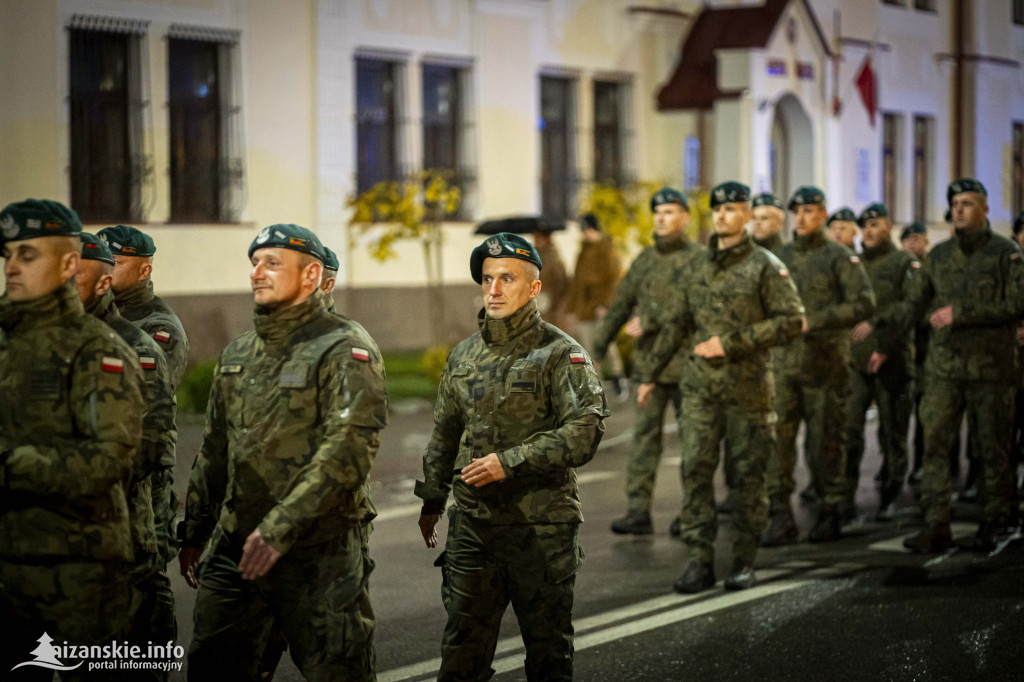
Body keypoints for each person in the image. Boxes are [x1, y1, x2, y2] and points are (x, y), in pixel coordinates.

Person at [178, 224, 388, 680]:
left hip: (317, 551)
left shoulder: (343, 347)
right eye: (255, 263)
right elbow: (215, 450)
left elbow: (348, 451)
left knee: (338, 671)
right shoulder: (238, 354)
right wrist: (195, 528)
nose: (257, 272)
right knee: (213, 667)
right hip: (237, 548)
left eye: (272, 263)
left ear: (311, 275)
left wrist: (280, 527)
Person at [415, 232, 607, 681]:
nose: (494, 289)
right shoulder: (464, 355)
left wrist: (510, 461)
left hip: (540, 526)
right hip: (474, 525)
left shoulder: (560, 354)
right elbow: (445, 433)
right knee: (461, 653)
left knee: (547, 653)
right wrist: (432, 499)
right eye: (487, 279)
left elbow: (585, 432)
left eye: (507, 278)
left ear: (534, 287)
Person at [0, 199, 145, 678]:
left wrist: (10, 464)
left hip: (77, 568)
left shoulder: (98, 349)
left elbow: (108, 461)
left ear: (67, 265)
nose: (12, 267)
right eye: (8, 255)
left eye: (28, 255)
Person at [635, 181, 803, 592]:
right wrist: (650, 374)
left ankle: (743, 560)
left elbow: (791, 321)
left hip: (748, 390)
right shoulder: (697, 266)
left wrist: (731, 343)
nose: (722, 216)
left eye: (731, 209)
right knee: (695, 471)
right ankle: (699, 560)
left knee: (747, 477)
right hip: (700, 389)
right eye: (717, 210)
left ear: (746, 214)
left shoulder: (765, 266)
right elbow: (677, 323)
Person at [75, 233, 177, 680]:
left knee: (141, 602)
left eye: (117, 261)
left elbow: (147, 434)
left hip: (133, 501)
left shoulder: (149, 335)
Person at [903, 179, 1024, 553]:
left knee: (992, 448)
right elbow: (913, 303)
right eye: (955, 203)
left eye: (967, 203)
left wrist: (963, 313)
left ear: (985, 209)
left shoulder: (1006, 253)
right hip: (945, 368)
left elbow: (1018, 303)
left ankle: (995, 519)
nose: (958, 209)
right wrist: (881, 333)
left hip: (991, 369)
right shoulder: (938, 256)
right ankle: (936, 523)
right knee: (935, 445)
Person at [762, 187, 875, 545]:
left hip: (826, 367)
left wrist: (817, 320)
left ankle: (830, 510)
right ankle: (781, 515)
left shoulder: (839, 257)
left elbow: (864, 303)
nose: (801, 218)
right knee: (778, 444)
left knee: (825, 442)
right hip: (783, 367)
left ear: (822, 215)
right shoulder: (779, 257)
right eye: (797, 212)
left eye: (808, 211)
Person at [594, 187, 706, 535]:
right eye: (657, 213)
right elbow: (621, 304)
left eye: (669, 212)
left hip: (689, 366)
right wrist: (598, 345)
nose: (661, 218)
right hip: (650, 369)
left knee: (694, 444)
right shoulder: (645, 260)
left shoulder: (700, 259)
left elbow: (696, 309)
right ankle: (638, 511)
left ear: (684, 218)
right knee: (644, 441)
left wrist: (652, 320)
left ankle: (692, 512)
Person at [97, 224, 186, 657]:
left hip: (144, 477)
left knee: (144, 575)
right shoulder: (92, 318)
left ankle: (149, 664)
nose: (106, 271)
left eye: (116, 263)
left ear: (144, 270)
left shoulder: (157, 328)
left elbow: (145, 414)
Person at [843, 204, 915, 523]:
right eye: (865, 226)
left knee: (891, 432)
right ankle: (845, 498)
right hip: (857, 362)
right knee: (849, 431)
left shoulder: (903, 263)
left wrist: (883, 344)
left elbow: (909, 307)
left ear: (889, 227)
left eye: (875, 225)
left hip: (892, 361)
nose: (868, 231)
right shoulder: (853, 263)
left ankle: (890, 494)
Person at [566, 213, 625, 397]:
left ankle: (617, 378)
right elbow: (577, 282)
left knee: (606, 345)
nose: (584, 233)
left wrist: (605, 304)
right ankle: (594, 386)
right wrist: (572, 308)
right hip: (584, 308)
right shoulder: (582, 252)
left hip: (601, 307)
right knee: (588, 350)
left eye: (587, 229)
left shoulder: (608, 249)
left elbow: (614, 279)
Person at [533, 228, 571, 331]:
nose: (536, 241)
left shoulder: (553, 257)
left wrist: (552, 298)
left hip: (549, 303)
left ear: (546, 239)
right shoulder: (532, 256)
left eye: (539, 238)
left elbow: (562, 282)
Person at [751, 192, 787, 257]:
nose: (757, 223)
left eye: (764, 218)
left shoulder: (788, 255)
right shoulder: (742, 252)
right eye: (754, 218)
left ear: (779, 223)